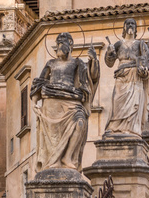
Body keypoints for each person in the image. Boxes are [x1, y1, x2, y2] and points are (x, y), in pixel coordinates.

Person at [31, 32, 100, 171]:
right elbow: (39, 83)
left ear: (70, 45)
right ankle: (53, 162)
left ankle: (67, 157)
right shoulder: (51, 63)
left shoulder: (77, 63)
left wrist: (93, 61)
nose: (59, 46)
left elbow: (91, 78)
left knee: (80, 122)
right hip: (51, 102)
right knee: (54, 136)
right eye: (57, 43)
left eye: (62, 43)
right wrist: (34, 102)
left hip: (71, 101)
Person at [104, 18, 149, 137]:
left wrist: (145, 70)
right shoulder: (119, 44)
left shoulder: (140, 44)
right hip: (121, 76)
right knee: (117, 102)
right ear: (124, 27)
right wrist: (109, 53)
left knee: (134, 105)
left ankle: (132, 130)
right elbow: (109, 63)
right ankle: (115, 128)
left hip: (135, 76)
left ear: (136, 28)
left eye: (133, 24)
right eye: (128, 24)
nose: (131, 26)